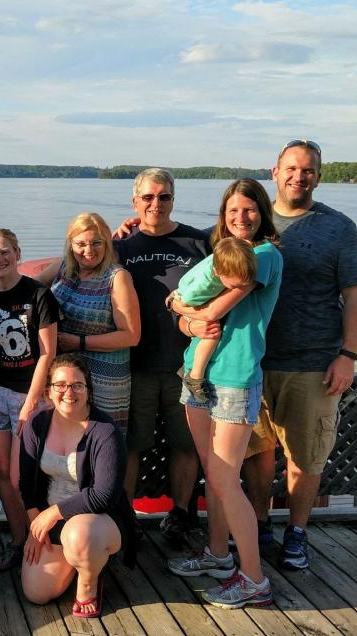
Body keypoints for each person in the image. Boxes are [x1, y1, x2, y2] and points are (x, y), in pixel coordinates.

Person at [244, 140, 357, 570]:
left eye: (309, 169)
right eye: (292, 168)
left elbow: (356, 295)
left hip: (314, 363)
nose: (300, 176)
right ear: (274, 172)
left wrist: (347, 355)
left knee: (305, 456)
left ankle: (296, 533)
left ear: (319, 174)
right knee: (256, 454)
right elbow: (211, 258)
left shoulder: (338, 228)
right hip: (251, 363)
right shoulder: (253, 220)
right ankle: (259, 523)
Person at [165, 179, 283, 609]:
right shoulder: (223, 253)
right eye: (233, 211)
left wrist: (179, 305)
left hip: (234, 378)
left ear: (262, 213)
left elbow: (213, 310)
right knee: (213, 475)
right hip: (198, 373)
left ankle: (254, 579)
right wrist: (184, 316)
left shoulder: (263, 256)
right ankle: (218, 554)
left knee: (224, 480)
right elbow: (192, 323)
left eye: (249, 210)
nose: (241, 218)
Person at [113, 168, 210, 547]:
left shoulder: (198, 243)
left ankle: (181, 516)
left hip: (187, 367)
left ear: (173, 199)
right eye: (148, 197)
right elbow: (77, 265)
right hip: (132, 366)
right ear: (135, 202)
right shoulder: (120, 247)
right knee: (131, 446)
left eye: (164, 197)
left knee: (185, 445)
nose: (156, 204)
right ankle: (126, 518)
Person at [0, 227, 59, 571]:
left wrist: (31, 402)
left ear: (18, 253)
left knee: (30, 474)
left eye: (5, 252)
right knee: (4, 473)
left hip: (29, 395)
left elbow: (47, 353)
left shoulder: (38, 296)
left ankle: (42, 541)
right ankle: (19, 542)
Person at [19, 354, 133, 618]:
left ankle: (88, 583)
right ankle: (83, 561)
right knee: (36, 593)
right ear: (48, 391)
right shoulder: (36, 424)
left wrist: (52, 513)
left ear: (88, 390)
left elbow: (104, 495)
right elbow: (26, 483)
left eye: (77, 385)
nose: (68, 392)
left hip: (100, 520)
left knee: (79, 536)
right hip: (53, 521)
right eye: (60, 385)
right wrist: (36, 524)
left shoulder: (105, 431)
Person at [34, 212, 140, 431]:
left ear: (107, 243)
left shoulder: (117, 277)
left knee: (100, 442)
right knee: (65, 443)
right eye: (81, 244)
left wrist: (78, 342)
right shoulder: (64, 267)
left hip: (104, 380)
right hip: (67, 379)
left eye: (96, 243)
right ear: (70, 244)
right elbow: (30, 289)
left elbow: (131, 335)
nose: (89, 251)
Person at [170, 237, 259, 402]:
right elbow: (185, 302)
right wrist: (181, 307)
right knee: (212, 333)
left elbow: (237, 245)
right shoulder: (204, 286)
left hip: (186, 292)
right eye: (233, 286)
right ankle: (195, 376)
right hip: (188, 300)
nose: (238, 289)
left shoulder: (228, 259)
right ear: (218, 272)